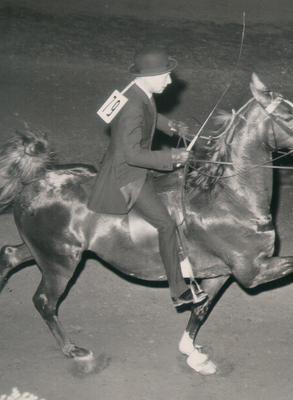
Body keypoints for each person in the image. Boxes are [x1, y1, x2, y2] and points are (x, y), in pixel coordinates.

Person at [88, 48, 207, 307]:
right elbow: (132, 155)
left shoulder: (137, 91)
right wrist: (172, 158)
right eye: (165, 76)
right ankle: (178, 291)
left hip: (131, 160)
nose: (170, 81)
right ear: (149, 76)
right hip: (127, 174)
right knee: (166, 224)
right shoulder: (133, 104)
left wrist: (170, 126)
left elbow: (148, 116)